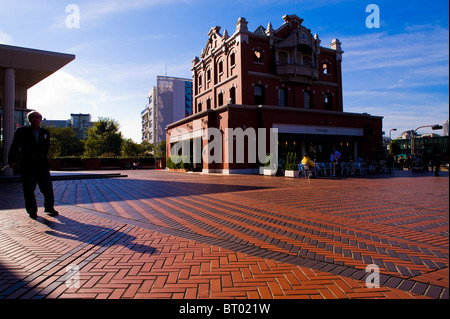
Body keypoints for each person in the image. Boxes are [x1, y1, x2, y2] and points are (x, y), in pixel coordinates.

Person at [8, 111, 58, 219]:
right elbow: (14, 146)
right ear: (29, 120)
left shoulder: (45, 132)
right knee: (29, 189)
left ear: (41, 119)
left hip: (42, 165)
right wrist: (12, 160)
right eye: (33, 118)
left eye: (38, 117)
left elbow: (46, 148)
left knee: (47, 188)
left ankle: (49, 207)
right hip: (27, 165)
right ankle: (32, 211)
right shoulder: (21, 131)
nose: (36, 119)